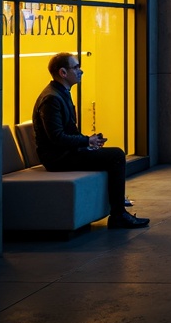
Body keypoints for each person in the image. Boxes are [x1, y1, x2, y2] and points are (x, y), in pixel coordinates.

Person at [32, 53, 150, 228]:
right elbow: (56, 137)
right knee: (116, 155)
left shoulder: (60, 93)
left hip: (64, 153)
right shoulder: (52, 98)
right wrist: (86, 141)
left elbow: (64, 133)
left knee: (112, 155)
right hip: (57, 158)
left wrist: (88, 142)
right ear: (63, 72)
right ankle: (118, 214)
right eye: (76, 67)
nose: (81, 71)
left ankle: (118, 208)